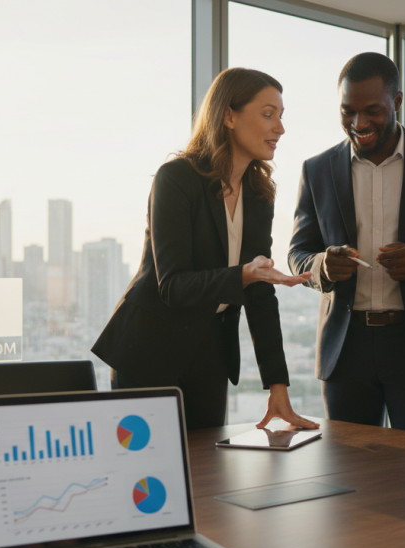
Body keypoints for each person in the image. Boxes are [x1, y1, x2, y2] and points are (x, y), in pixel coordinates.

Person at [92, 68, 318, 431]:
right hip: (149, 350)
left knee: (209, 475)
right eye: (268, 114)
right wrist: (244, 275)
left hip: (210, 354)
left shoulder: (259, 196)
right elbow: (174, 285)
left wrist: (278, 386)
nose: (280, 128)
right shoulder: (176, 178)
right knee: (148, 478)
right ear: (229, 115)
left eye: (281, 116)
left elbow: (260, 293)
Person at [288, 53, 405, 435]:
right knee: (350, 479)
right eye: (347, 111)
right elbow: (298, 254)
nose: (358, 124)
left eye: (372, 110)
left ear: (397, 101)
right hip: (346, 350)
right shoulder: (317, 170)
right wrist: (321, 265)